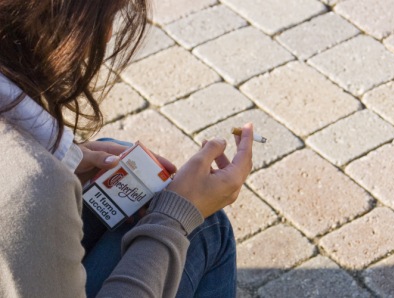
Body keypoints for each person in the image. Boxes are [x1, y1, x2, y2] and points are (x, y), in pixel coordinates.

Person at [0, 0, 253, 297]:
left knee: (132, 179)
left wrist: (64, 158)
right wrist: (174, 219)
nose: (107, 34)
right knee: (205, 225)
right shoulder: (33, 185)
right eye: (105, 16)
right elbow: (27, 192)